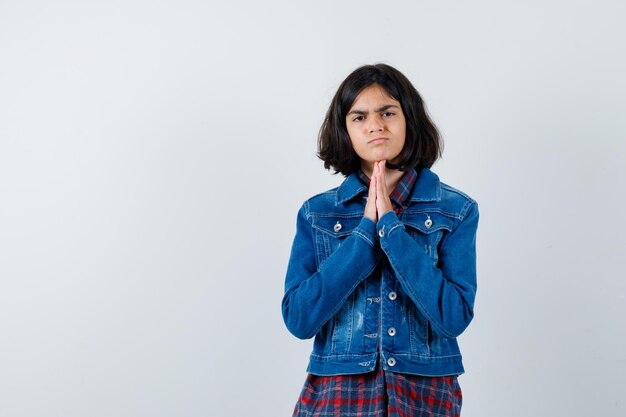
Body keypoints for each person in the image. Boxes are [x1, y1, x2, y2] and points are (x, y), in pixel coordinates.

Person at [281, 64, 479, 417]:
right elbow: (299, 318)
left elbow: (454, 316)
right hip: (337, 398)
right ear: (345, 129)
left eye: (388, 112)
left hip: (424, 398)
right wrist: (363, 234)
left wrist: (391, 227)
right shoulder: (318, 213)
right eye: (359, 117)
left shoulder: (456, 211)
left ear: (409, 119)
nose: (375, 125)